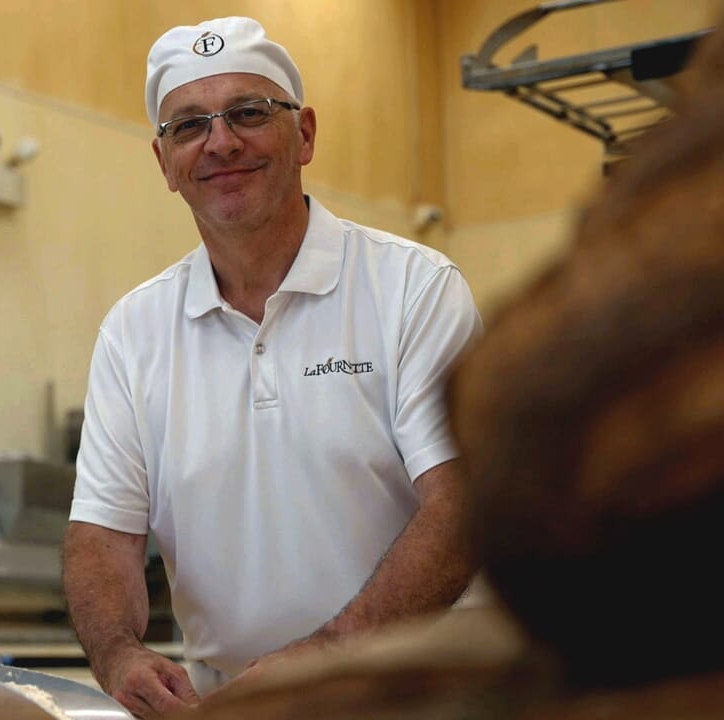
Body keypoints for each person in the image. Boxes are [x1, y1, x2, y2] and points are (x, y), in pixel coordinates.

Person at [61, 15, 483, 719]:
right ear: (164, 163)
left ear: (305, 134)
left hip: (417, 698)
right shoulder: (134, 332)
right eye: (189, 126)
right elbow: (103, 534)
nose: (221, 142)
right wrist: (117, 653)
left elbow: (462, 504)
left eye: (250, 113)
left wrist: (329, 654)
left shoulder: (413, 289)